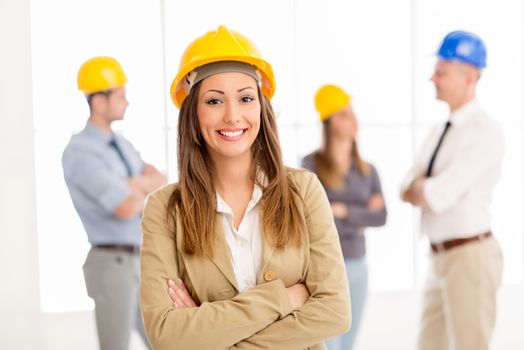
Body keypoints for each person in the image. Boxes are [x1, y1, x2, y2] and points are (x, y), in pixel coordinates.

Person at [139, 25, 351, 350]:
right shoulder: (164, 209)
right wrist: (283, 297)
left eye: (246, 98)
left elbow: (334, 312)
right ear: (192, 114)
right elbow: (166, 335)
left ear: (261, 108)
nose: (233, 115)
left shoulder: (304, 190)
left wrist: (208, 334)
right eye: (214, 101)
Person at [400, 31, 504, 350]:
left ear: (469, 77)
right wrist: (422, 189)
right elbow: (405, 187)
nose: (433, 77)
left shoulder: (484, 131)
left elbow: (438, 196)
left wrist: (423, 189)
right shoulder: (439, 130)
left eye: (441, 71)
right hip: (438, 256)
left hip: (470, 257)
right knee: (427, 344)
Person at [62, 56, 166, 350]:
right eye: (121, 96)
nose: (127, 103)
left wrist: (133, 186)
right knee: (116, 346)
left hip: (140, 260)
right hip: (112, 264)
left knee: (162, 340)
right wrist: (136, 189)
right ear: (98, 102)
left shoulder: (122, 144)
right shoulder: (80, 152)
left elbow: (158, 180)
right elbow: (125, 207)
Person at [302, 84, 387, 350]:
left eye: (352, 113)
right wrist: (361, 216)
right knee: (329, 342)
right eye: (344, 114)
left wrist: (342, 210)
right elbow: (314, 219)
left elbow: (381, 216)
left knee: (348, 342)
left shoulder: (367, 170)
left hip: (358, 264)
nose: (354, 120)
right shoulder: (310, 166)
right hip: (324, 266)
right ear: (330, 122)